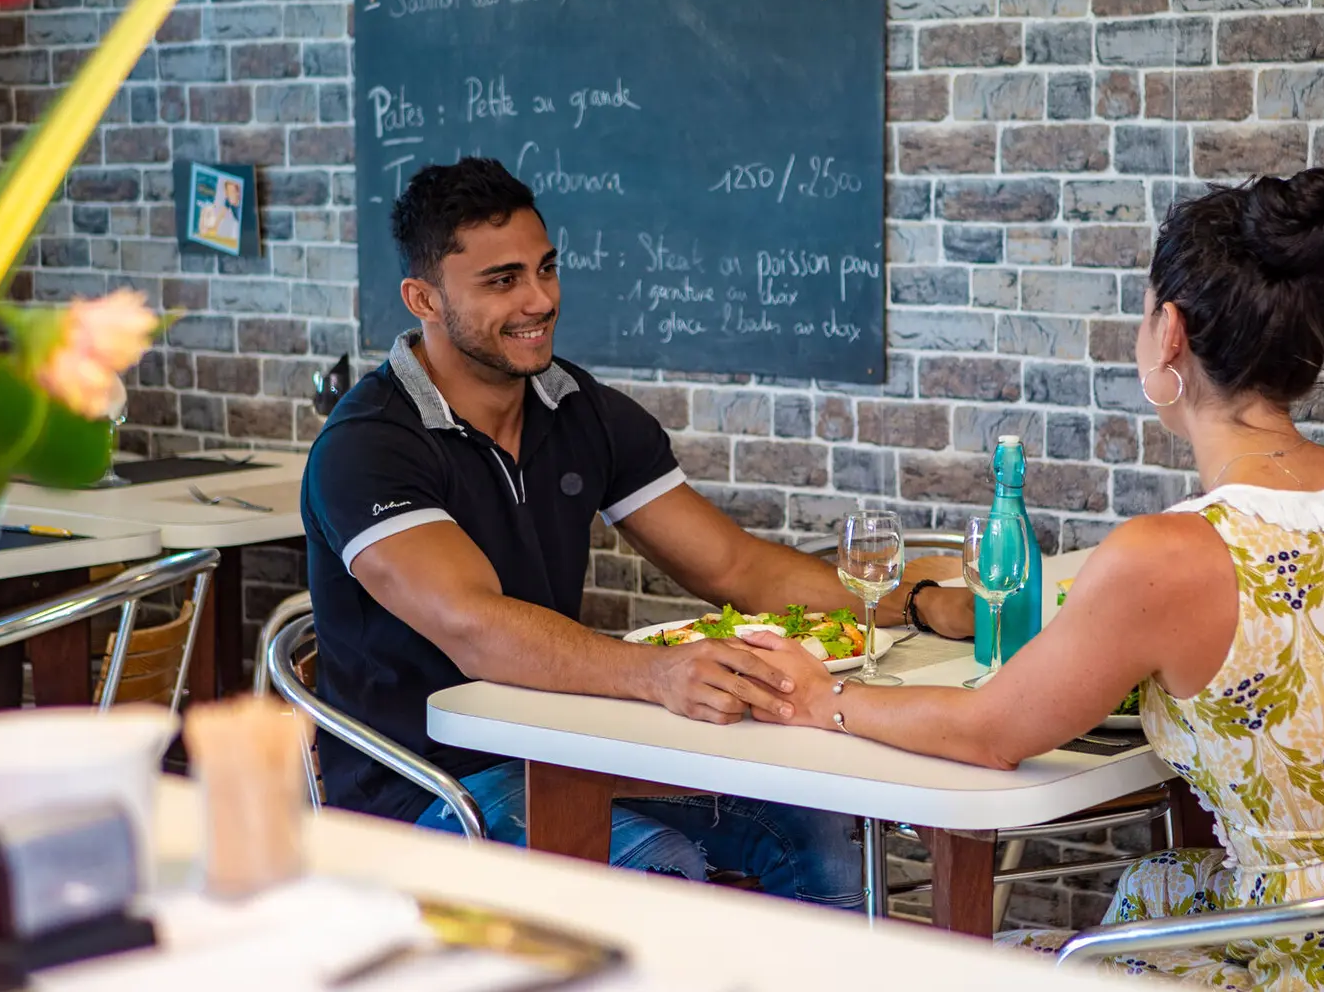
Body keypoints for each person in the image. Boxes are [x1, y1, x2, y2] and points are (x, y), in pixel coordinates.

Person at [742, 167, 1324, 986]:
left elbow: (989, 733)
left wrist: (815, 696)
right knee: (1149, 891)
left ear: (1170, 333)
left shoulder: (1168, 555)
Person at [299, 156, 973, 908]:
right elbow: (475, 625)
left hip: (569, 750)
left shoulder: (577, 409)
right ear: (422, 297)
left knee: (819, 836)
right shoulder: (369, 445)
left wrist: (912, 603)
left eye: (546, 269)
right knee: (660, 862)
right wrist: (655, 675)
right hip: (423, 792)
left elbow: (735, 566)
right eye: (503, 280)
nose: (540, 299)